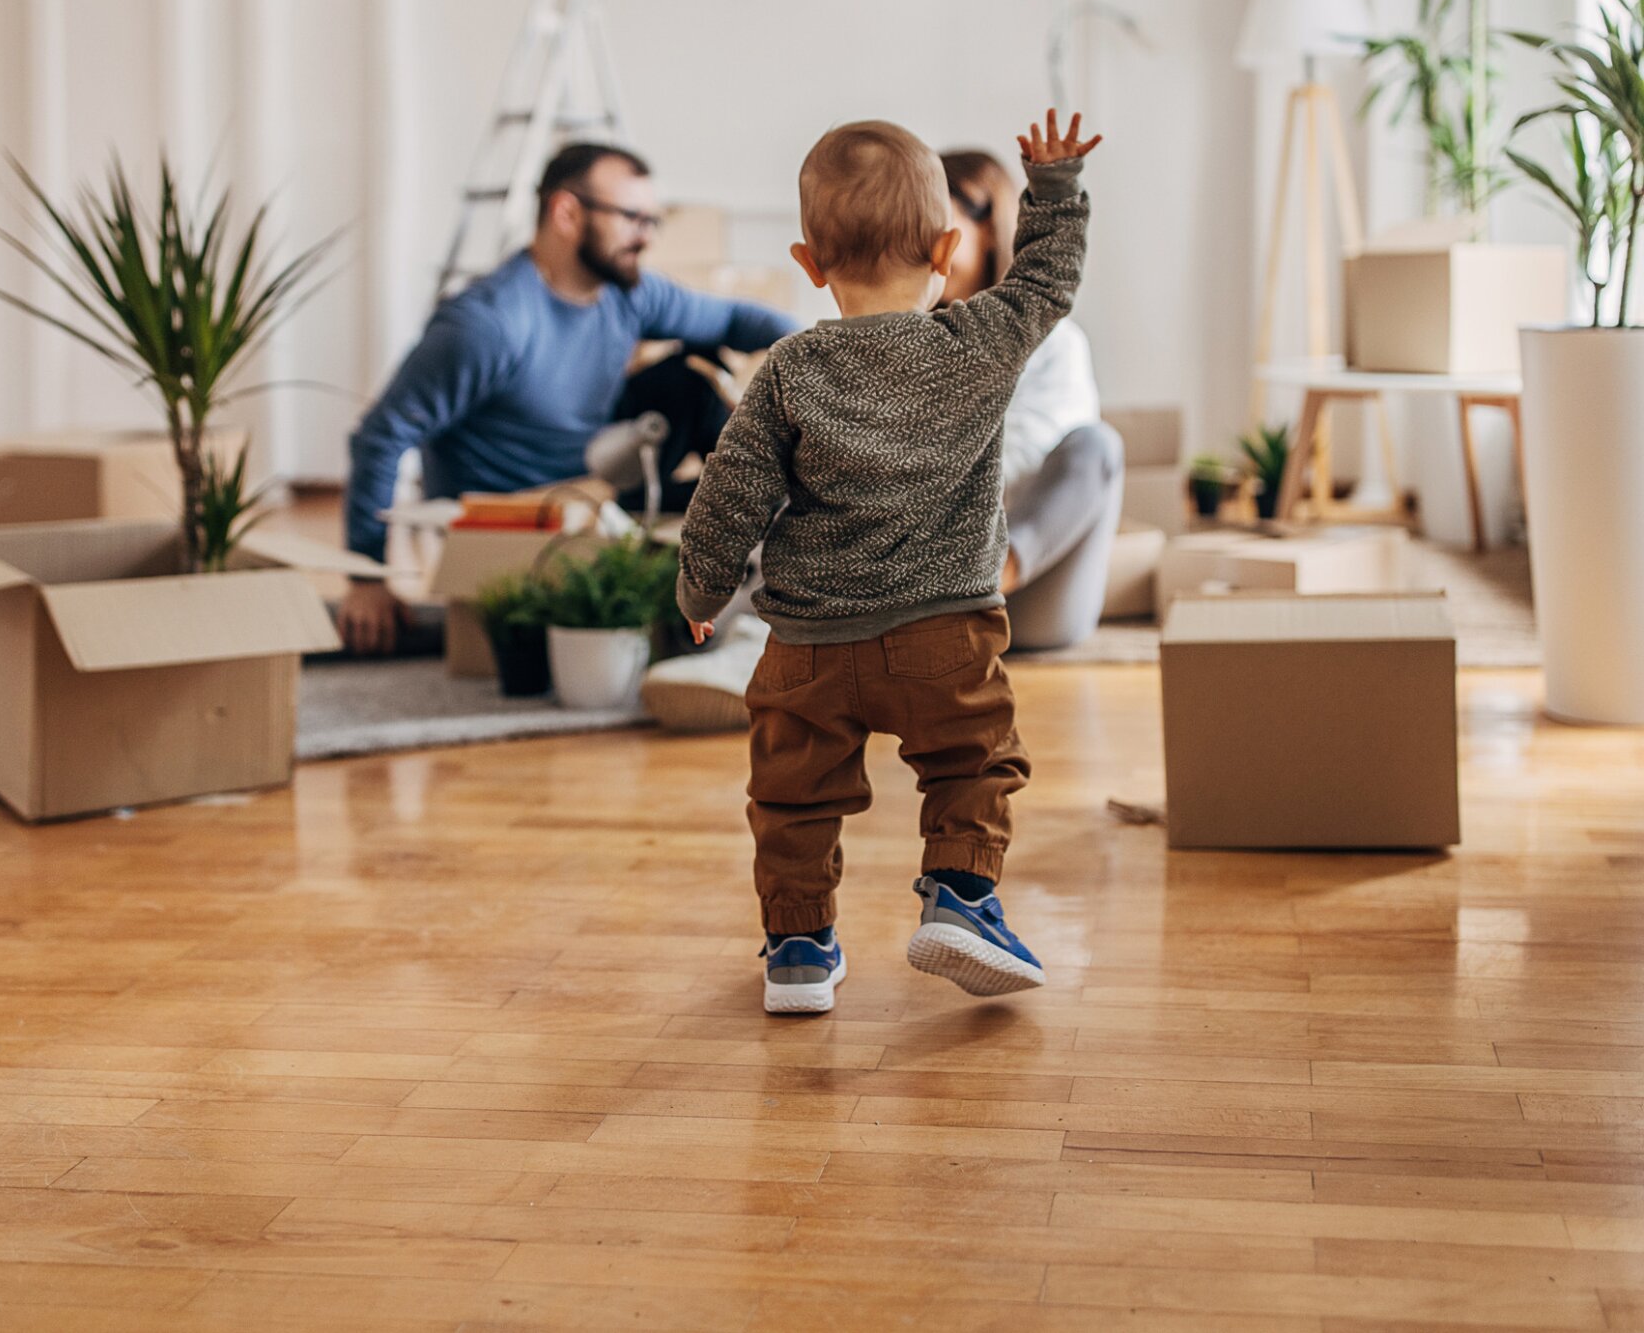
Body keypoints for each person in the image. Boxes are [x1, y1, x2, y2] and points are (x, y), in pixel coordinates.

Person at [676, 111, 1099, 1014]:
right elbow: (1046, 284)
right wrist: (1052, 190)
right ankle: (963, 896)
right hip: (945, 633)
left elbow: (729, 491)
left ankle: (796, 948)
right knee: (972, 763)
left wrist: (701, 587)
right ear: (947, 248)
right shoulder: (976, 341)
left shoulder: (791, 369)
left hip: (808, 646)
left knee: (792, 795)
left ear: (809, 263)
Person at [338, 143, 801, 654]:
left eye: (652, 221)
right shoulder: (488, 324)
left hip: (596, 492)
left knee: (690, 387)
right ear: (566, 212)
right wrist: (368, 578)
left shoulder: (627, 293)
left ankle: (803, 569)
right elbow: (381, 435)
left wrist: (817, 357)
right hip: (521, 523)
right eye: (631, 218)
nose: (645, 238)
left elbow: (738, 320)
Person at [940, 148, 1124, 652]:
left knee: (1096, 447)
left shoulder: (1055, 343)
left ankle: (978, 585)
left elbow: (1027, 453)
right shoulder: (912, 343)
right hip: (926, 584)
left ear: (985, 226)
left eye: (937, 223)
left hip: (1033, 588)